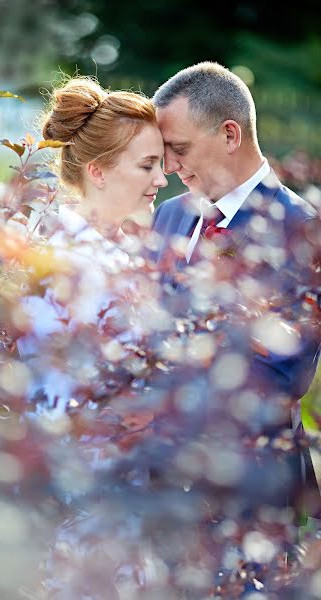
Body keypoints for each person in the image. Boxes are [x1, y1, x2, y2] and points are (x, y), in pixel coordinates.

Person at [149, 61, 321, 590]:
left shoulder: (300, 233)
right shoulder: (170, 216)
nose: (169, 164)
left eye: (178, 147)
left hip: (248, 498)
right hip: (160, 494)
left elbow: (280, 375)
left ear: (230, 134)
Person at [16, 76, 168, 419]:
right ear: (97, 172)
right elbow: (50, 402)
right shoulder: (61, 264)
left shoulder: (131, 252)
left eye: (159, 164)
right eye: (147, 165)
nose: (161, 179)